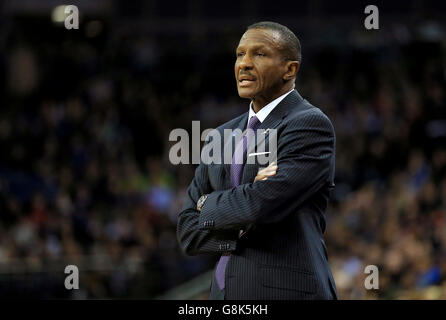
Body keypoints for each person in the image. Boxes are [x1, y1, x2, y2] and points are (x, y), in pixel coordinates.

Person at [177, 21, 338, 300]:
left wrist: (207, 205)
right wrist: (240, 219)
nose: (244, 64)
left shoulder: (309, 124)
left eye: (259, 54)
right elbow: (187, 231)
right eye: (240, 54)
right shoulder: (221, 135)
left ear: (290, 69)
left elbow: (259, 205)